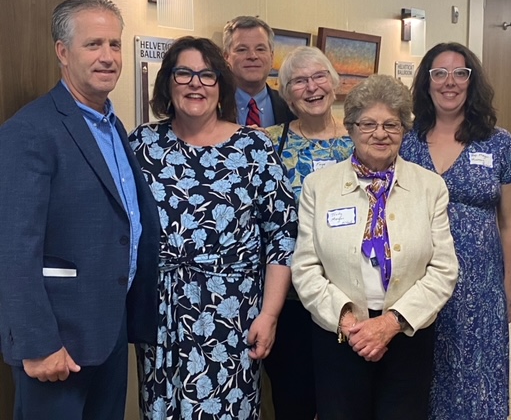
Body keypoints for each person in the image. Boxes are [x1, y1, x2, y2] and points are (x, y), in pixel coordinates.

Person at [0, 0, 160, 419]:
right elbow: (14, 249)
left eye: (114, 44)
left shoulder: (112, 125)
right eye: (94, 45)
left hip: (107, 332)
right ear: (62, 52)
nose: (108, 57)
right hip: (57, 344)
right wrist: (37, 343)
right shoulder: (31, 131)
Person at [129, 36, 298, 420]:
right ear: (167, 84)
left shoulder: (253, 148)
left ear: (221, 86)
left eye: (207, 75)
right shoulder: (143, 143)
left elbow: (282, 235)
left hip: (232, 312)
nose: (195, 83)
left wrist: (269, 315)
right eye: (184, 73)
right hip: (162, 311)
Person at [291, 74, 459, 419]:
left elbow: (444, 269)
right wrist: (348, 320)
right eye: (368, 124)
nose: (380, 134)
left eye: (391, 125)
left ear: (403, 131)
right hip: (340, 336)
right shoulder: (318, 186)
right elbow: (305, 267)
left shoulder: (430, 187)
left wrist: (390, 324)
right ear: (350, 128)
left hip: (407, 335)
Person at [400, 42, 511, 419]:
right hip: (417, 283)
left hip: (480, 287)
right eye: (439, 73)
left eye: (460, 73)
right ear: (426, 82)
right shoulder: (406, 142)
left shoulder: (499, 143)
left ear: (472, 81)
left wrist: (506, 289)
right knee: (422, 378)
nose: (449, 82)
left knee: (478, 383)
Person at [264, 46, 353, 420]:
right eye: (299, 81)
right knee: (294, 399)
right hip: (291, 297)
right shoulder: (267, 143)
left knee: (346, 401)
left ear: (334, 85)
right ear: (286, 94)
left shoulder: (363, 138)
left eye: (319, 77)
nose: (311, 87)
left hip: (353, 295)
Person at [222, 15, 296, 127]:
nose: (252, 56)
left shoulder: (291, 106)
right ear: (226, 58)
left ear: (271, 57)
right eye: (242, 49)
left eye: (260, 49)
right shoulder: (213, 108)